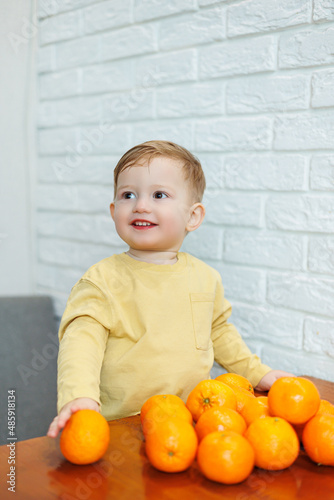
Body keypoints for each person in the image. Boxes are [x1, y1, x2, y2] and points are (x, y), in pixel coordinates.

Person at [47, 140, 293, 438]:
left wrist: (258, 373)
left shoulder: (205, 277)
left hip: (191, 423)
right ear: (114, 211)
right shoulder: (102, 279)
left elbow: (219, 333)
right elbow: (80, 342)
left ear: (193, 216)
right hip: (123, 426)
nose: (141, 205)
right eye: (128, 195)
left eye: (159, 194)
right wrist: (79, 396)